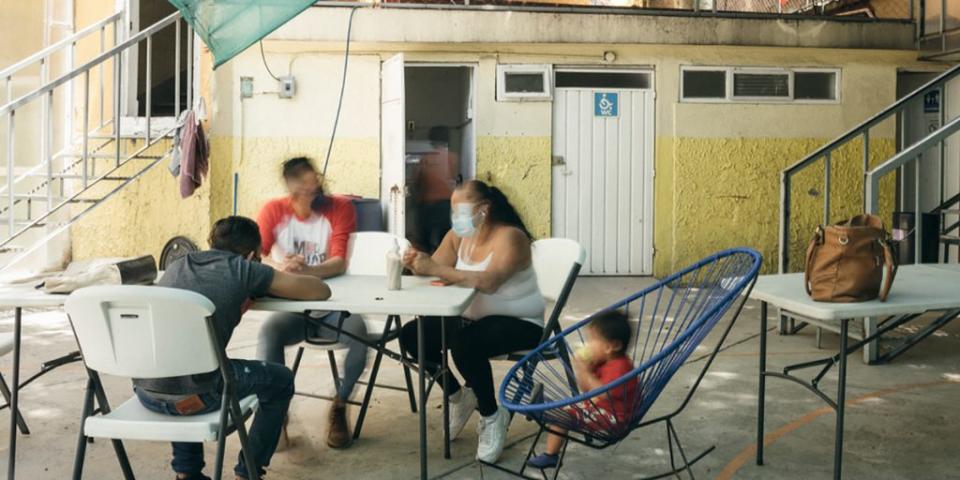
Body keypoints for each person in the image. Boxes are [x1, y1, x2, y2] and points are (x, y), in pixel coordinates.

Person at [133, 216, 331, 480]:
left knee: (182, 362)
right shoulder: (244, 270)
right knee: (280, 380)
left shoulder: (178, 265)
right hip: (195, 398)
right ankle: (248, 473)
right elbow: (320, 292)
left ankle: (187, 473)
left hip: (146, 392)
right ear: (251, 255)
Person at [399, 179, 545, 463]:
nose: (456, 217)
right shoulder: (459, 236)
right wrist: (416, 262)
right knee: (411, 336)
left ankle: (493, 416)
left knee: (464, 344)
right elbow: (434, 268)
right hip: (471, 318)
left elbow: (489, 283)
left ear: (484, 209)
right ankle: (458, 395)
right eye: (453, 211)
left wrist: (435, 268)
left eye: (461, 210)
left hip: (521, 323)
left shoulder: (511, 237)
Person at [254, 156, 368, 449]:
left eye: (315, 181)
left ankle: (340, 404)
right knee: (268, 333)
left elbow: (339, 262)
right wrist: (282, 269)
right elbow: (257, 256)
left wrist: (307, 272)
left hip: (334, 307)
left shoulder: (340, 207)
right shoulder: (273, 211)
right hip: (293, 308)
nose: (314, 188)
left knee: (359, 335)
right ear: (292, 189)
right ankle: (275, 414)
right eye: (305, 186)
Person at [525, 310, 637, 470]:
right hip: (599, 409)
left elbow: (602, 392)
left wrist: (585, 371)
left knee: (565, 414)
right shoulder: (604, 361)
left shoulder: (620, 367)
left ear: (612, 346)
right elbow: (585, 389)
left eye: (593, 340)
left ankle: (544, 415)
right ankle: (551, 453)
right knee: (564, 411)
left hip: (614, 419)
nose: (588, 345)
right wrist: (584, 369)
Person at [413, 126, 460, 252]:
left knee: (424, 241)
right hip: (447, 204)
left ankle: (426, 263)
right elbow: (455, 178)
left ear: (431, 139)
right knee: (444, 239)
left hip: (427, 204)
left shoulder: (425, 158)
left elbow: (417, 180)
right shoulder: (453, 157)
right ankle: (442, 263)